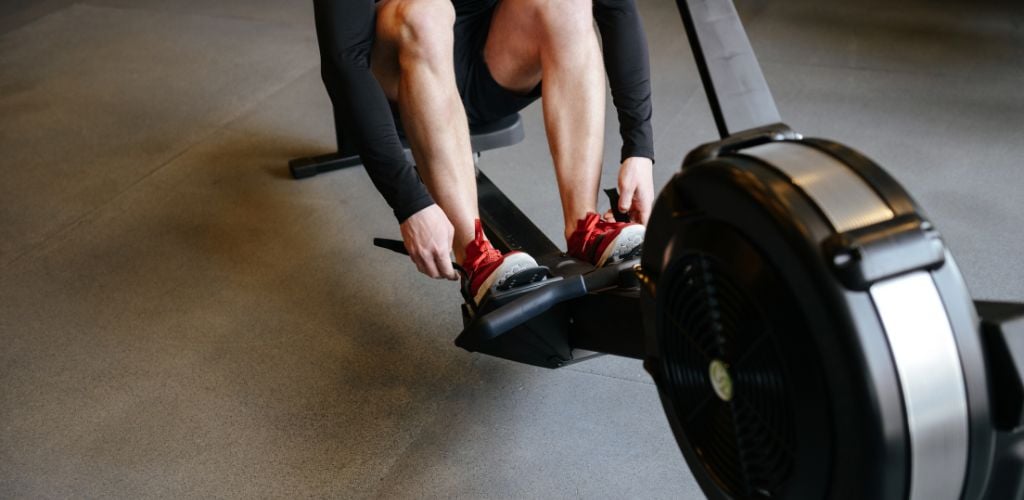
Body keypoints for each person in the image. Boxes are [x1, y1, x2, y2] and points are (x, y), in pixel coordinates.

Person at [313, 0, 654, 304]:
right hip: (401, 77)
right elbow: (344, 58)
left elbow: (617, 7)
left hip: (490, 66)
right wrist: (409, 203)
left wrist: (639, 150)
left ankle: (585, 227)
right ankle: (475, 254)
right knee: (426, 12)